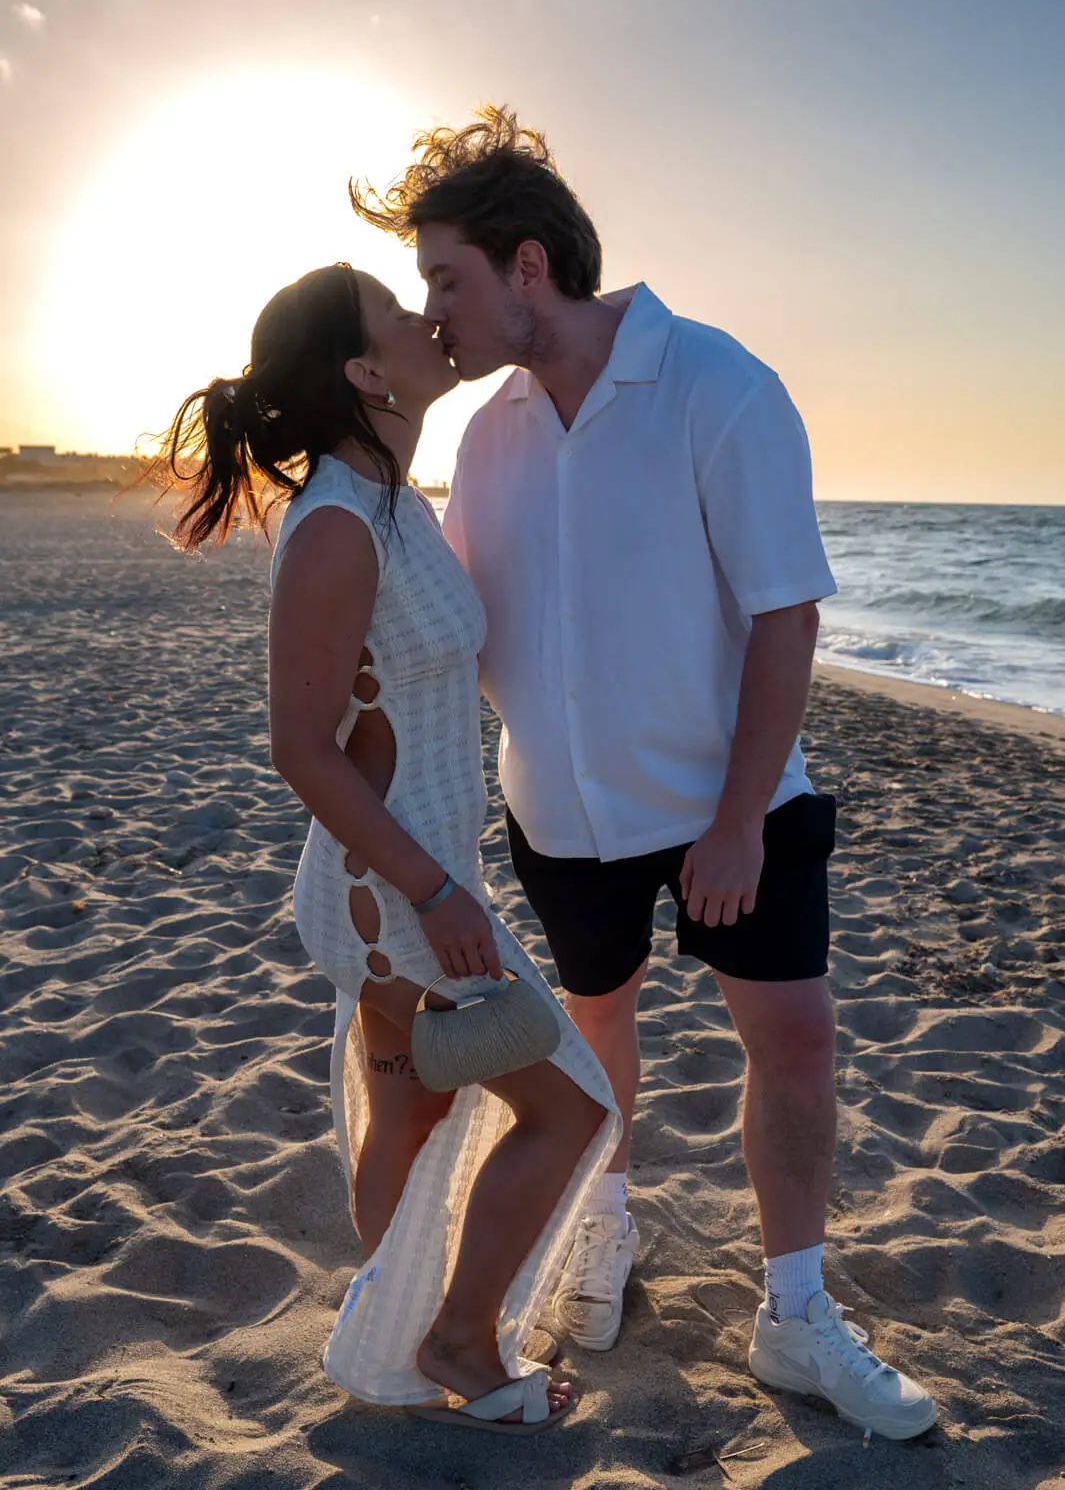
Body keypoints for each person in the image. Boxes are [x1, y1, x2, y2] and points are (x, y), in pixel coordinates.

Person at [351, 109, 938, 1441]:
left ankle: (795, 1316)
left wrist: (734, 822)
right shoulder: (488, 434)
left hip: (734, 808)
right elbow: (460, 618)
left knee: (790, 1039)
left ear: (528, 268)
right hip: (559, 815)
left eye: (448, 278)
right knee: (596, 1031)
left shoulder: (718, 385)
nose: (434, 312)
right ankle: (602, 1228)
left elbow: (786, 614)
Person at [155, 262, 620, 1432]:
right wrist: (434, 890)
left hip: (400, 884)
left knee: (409, 1119)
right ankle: (459, 1337)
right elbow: (301, 748)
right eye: (400, 312)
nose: (428, 321)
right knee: (573, 1109)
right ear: (367, 372)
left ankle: (399, 1342)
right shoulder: (332, 529)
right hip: (391, 896)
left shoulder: (391, 500)